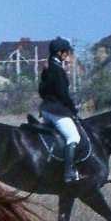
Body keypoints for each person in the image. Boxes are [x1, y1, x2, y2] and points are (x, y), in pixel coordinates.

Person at [38, 36, 81, 183]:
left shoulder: (47, 68)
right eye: (67, 52)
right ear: (60, 53)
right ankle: (69, 172)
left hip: (45, 109)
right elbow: (63, 94)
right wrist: (73, 110)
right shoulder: (57, 70)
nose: (68, 55)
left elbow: (41, 91)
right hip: (56, 111)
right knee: (73, 137)